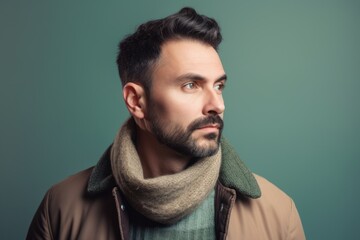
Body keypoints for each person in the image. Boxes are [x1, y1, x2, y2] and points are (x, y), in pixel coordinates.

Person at [27, 7, 305, 240]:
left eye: (219, 86)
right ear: (137, 101)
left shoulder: (278, 213)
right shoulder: (61, 209)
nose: (218, 105)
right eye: (191, 85)